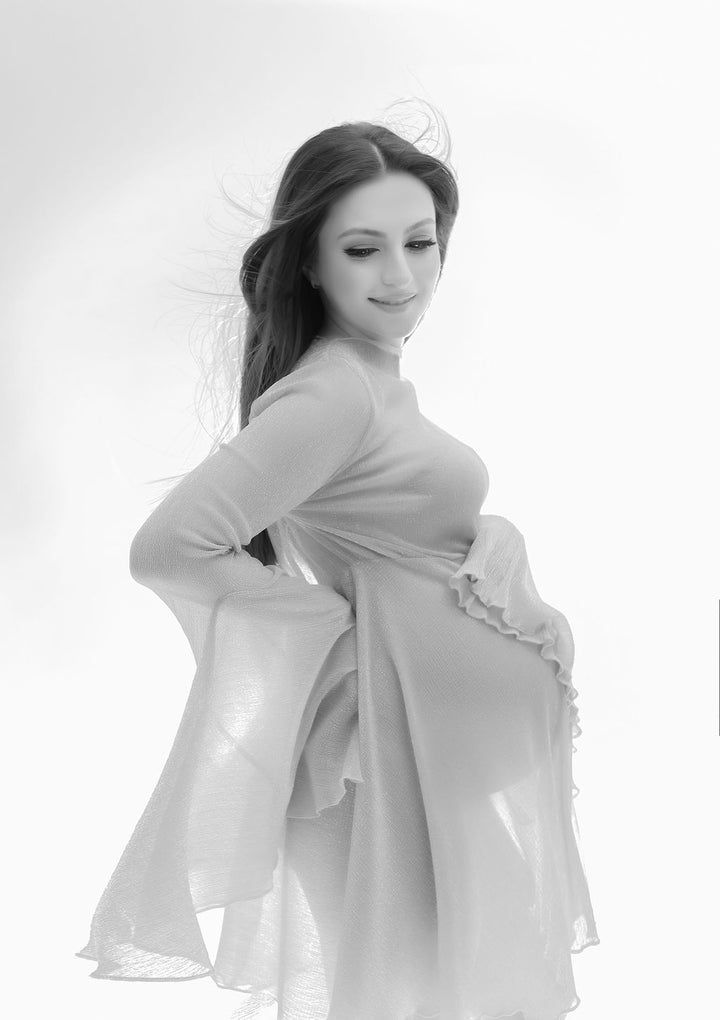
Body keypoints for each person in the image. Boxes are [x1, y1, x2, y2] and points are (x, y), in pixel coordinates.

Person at [76, 113, 599, 1020]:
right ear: (310, 264)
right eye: (363, 249)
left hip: (416, 763)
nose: (400, 276)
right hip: (377, 762)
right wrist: (335, 646)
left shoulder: (370, 381)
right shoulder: (335, 394)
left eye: (419, 243)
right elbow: (168, 547)